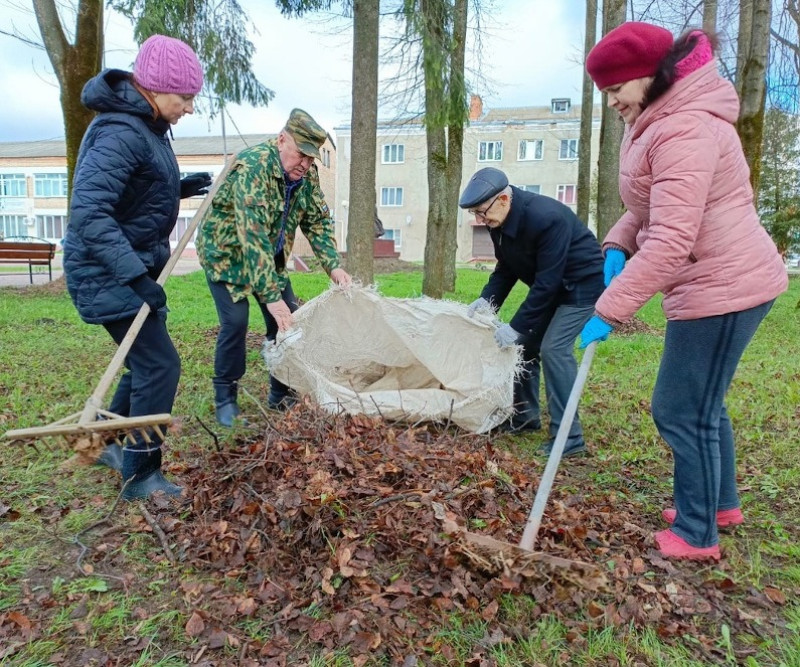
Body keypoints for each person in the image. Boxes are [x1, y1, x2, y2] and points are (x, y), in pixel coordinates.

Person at [583, 23, 788, 560]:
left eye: (615, 90)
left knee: (679, 409)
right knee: (703, 405)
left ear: (647, 77)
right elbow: (653, 202)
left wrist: (611, 307)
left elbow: (673, 238)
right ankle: (719, 504)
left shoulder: (684, 129)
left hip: (726, 284)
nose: (611, 103)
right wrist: (617, 243)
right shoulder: (658, 119)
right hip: (712, 277)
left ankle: (698, 533)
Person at [63, 35, 209, 500]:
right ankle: (141, 475)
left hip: (126, 266)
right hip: (107, 271)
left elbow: (132, 191)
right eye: (185, 97)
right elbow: (89, 213)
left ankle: (105, 441)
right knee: (160, 366)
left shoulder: (145, 125)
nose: (189, 107)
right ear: (157, 87)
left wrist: (179, 188)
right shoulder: (121, 130)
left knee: (143, 363)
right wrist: (135, 276)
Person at [197, 108, 351, 426]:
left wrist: (333, 266)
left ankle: (281, 393)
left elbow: (317, 220)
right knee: (236, 322)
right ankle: (225, 400)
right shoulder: (253, 166)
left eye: (311, 159)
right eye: (301, 155)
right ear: (282, 140)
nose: (305, 165)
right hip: (228, 256)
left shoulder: (305, 175)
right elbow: (251, 237)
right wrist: (271, 295)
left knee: (285, 323)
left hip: (270, 258)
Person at [459, 167, 605, 456]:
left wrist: (516, 325)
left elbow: (548, 282)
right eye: (474, 213)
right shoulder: (496, 219)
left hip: (581, 286)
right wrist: (487, 300)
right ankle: (525, 418)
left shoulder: (545, 218)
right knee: (524, 347)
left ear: (503, 199)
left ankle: (569, 439)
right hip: (552, 284)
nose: (479, 220)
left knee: (554, 349)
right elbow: (507, 266)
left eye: (481, 212)